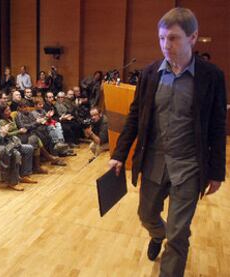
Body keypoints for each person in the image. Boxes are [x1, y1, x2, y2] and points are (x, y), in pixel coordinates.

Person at [108, 8, 226, 277]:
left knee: (179, 234)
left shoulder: (212, 77)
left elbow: (218, 127)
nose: (165, 45)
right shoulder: (150, 73)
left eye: (172, 38)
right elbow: (135, 116)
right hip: (153, 161)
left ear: (193, 37)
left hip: (189, 166)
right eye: (161, 38)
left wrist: (217, 171)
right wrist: (119, 153)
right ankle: (157, 234)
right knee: (147, 216)